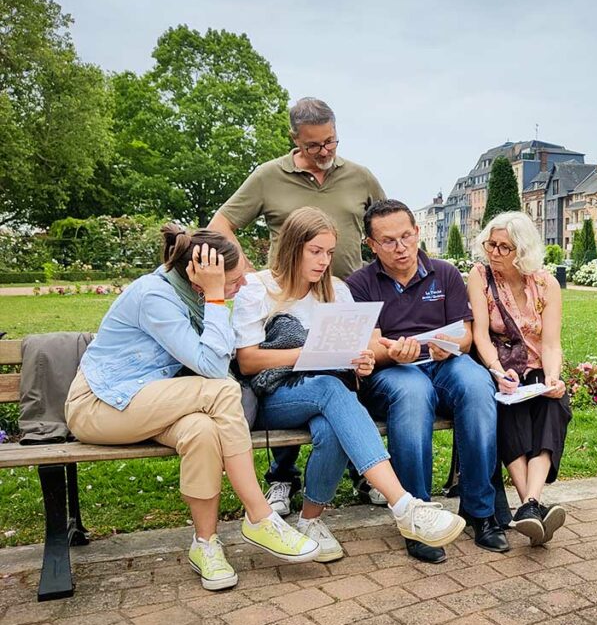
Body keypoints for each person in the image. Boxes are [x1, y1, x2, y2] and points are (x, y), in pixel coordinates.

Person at [65, 225, 320, 592]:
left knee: (202, 431)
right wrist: (217, 298)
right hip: (100, 405)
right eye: (233, 279)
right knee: (222, 391)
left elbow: (219, 353)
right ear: (199, 278)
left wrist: (216, 297)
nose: (243, 285)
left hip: (147, 401)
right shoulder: (155, 296)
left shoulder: (192, 295)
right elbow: (214, 369)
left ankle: (206, 544)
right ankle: (260, 517)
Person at [231, 207, 466, 562]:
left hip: (326, 396)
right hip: (272, 398)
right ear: (292, 248)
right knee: (330, 390)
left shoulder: (337, 292)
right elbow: (247, 360)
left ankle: (310, 521)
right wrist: (309, 354)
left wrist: (362, 361)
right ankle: (405, 506)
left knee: (333, 421)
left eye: (329, 252)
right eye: (315, 251)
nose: (324, 261)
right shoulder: (257, 288)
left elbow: (351, 356)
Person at [208, 97, 385, 513]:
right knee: (297, 373)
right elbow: (221, 224)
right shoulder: (269, 176)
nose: (324, 152)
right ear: (294, 140)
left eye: (331, 142)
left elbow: (385, 223)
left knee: (335, 380)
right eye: (313, 146)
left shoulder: (360, 176)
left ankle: (352, 483)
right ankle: (284, 478)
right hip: (282, 301)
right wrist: (251, 275)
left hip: (340, 296)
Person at [347, 200, 509, 563]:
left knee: (477, 382)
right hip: (391, 373)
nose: (401, 247)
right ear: (370, 245)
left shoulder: (444, 273)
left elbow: (466, 337)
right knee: (413, 391)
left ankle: (480, 512)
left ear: (418, 232)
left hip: (443, 362)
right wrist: (394, 353)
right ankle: (417, 517)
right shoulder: (359, 284)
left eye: (406, 236)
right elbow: (371, 346)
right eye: (388, 241)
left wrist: (448, 345)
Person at [466, 211, 571, 546]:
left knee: (553, 406)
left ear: (522, 251)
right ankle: (533, 508)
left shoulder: (546, 283)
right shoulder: (480, 275)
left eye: (504, 247)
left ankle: (529, 504)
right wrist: (498, 372)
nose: (494, 252)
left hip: (538, 366)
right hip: (501, 367)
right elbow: (480, 335)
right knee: (512, 410)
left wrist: (553, 378)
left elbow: (551, 342)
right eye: (490, 244)